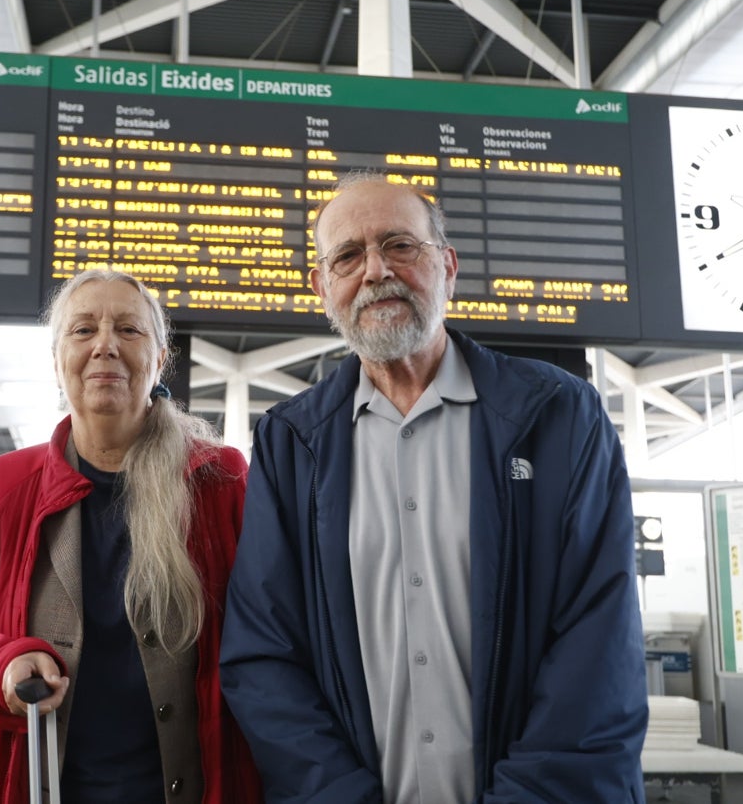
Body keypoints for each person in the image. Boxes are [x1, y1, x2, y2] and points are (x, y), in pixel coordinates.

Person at [219, 173, 648, 803]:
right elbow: (264, 656)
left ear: (447, 266)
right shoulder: (292, 444)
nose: (375, 272)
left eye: (399, 245)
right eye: (347, 256)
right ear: (322, 288)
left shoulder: (559, 417)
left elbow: (598, 649)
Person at [0, 269, 261, 804]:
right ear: (57, 360)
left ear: (160, 359)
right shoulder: (5, 488)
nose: (105, 345)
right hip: (34, 784)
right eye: (82, 331)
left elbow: (274, 630)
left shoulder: (221, 481)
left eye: (128, 329)